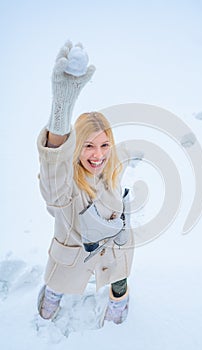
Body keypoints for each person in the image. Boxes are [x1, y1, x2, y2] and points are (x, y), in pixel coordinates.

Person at [36, 40, 134, 325]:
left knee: (120, 279)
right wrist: (61, 108)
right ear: (75, 146)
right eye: (88, 145)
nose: (98, 154)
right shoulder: (66, 185)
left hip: (116, 246)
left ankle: (120, 300)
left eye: (105, 145)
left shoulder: (116, 165)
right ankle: (52, 296)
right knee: (60, 282)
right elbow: (54, 173)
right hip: (74, 252)